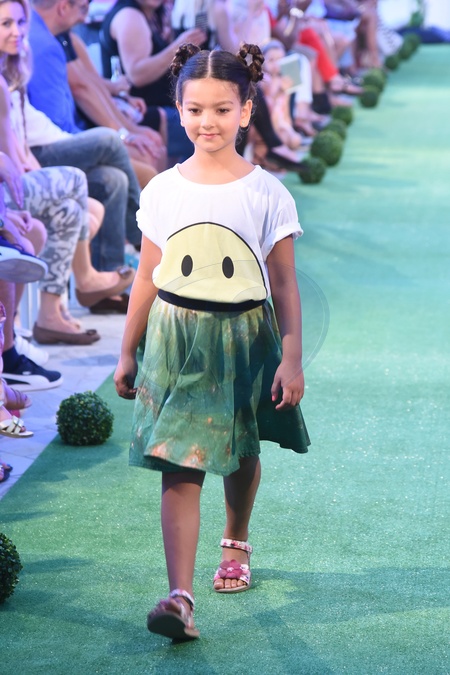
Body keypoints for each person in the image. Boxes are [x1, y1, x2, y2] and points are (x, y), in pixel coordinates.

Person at [114, 42, 310, 640]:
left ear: (247, 110)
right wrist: (126, 348)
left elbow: (284, 283)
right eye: (195, 109)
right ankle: (180, 596)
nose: (208, 122)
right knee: (181, 460)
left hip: (244, 337)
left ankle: (236, 539)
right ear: (178, 110)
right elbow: (147, 275)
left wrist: (292, 356)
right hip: (174, 337)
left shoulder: (268, 193)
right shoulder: (162, 190)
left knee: (240, 447)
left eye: (223, 109)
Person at [26, 0, 143, 276]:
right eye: (82, 8)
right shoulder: (42, 44)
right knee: (111, 142)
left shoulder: (49, 39)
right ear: (62, 7)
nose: (85, 18)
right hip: (39, 152)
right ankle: (145, 239)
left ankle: (108, 276)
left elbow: (89, 87)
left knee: (114, 179)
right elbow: (61, 121)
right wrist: (122, 134)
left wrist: (126, 126)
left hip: (47, 142)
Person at [99, 0, 206, 161]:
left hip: (161, 108)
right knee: (229, 130)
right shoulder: (130, 16)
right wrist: (178, 48)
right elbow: (137, 75)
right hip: (144, 112)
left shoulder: (154, 15)